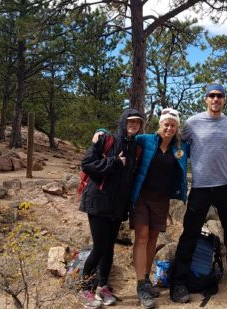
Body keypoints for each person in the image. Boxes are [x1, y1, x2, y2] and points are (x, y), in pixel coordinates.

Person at [170, 83, 227, 303]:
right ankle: (178, 281)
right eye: (212, 96)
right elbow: (175, 139)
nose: (216, 99)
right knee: (190, 232)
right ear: (206, 99)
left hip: (226, 185)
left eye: (220, 96)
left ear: (224, 100)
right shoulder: (192, 123)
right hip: (200, 187)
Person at [79, 108, 145, 309]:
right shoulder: (105, 140)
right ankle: (86, 289)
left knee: (109, 248)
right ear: (123, 122)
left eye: (137, 122)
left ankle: (102, 286)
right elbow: (87, 164)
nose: (133, 125)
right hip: (98, 202)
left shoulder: (136, 148)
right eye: (130, 121)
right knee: (99, 247)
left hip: (117, 206)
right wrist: (113, 162)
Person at [129, 108, 189, 309]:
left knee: (153, 238)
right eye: (166, 124)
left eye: (173, 125)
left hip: (162, 199)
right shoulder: (145, 140)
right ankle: (140, 286)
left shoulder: (180, 147)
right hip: (142, 196)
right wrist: (101, 132)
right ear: (160, 124)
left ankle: (146, 279)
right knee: (142, 236)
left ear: (177, 127)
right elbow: (124, 137)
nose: (169, 128)